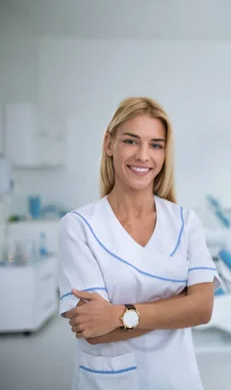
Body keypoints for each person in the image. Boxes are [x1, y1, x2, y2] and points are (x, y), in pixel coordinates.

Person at [58, 97, 220, 389]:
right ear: (109, 144)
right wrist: (179, 304)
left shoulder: (185, 221)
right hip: (109, 381)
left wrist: (118, 314)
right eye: (131, 141)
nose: (144, 156)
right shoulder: (79, 226)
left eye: (156, 145)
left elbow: (203, 309)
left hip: (177, 378)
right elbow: (93, 329)